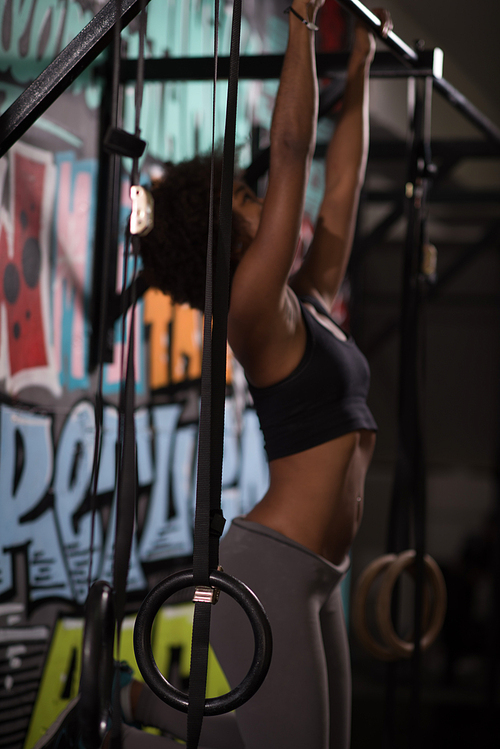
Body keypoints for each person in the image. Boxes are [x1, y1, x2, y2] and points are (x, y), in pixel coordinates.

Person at [36, 2, 390, 748]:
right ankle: (118, 722)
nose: (268, 203)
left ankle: (129, 705)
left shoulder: (307, 303)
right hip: (277, 565)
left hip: (326, 565)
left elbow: (340, 192)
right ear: (225, 235)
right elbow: (292, 149)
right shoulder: (252, 308)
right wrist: (300, 18)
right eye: (250, 198)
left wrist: (360, 70)